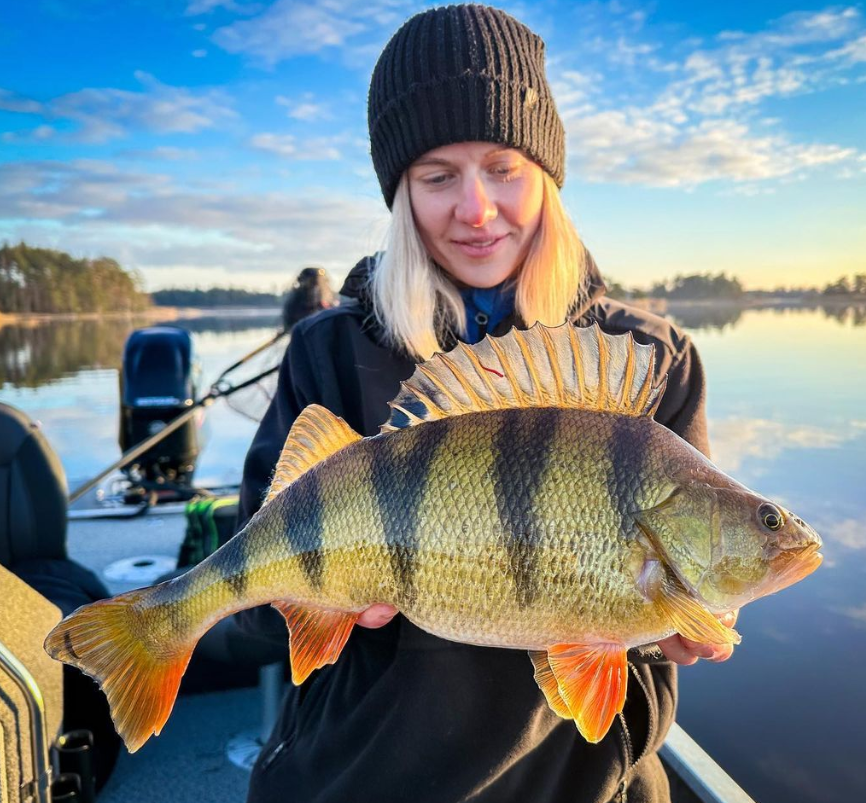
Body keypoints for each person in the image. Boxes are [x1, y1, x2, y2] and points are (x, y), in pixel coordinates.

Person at [237, 5, 735, 802]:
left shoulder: (649, 364)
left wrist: (661, 637)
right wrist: (314, 594)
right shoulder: (328, 352)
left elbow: (653, 650)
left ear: (547, 175)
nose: (475, 208)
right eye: (438, 176)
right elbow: (253, 609)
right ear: (400, 192)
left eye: (504, 167)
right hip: (359, 777)